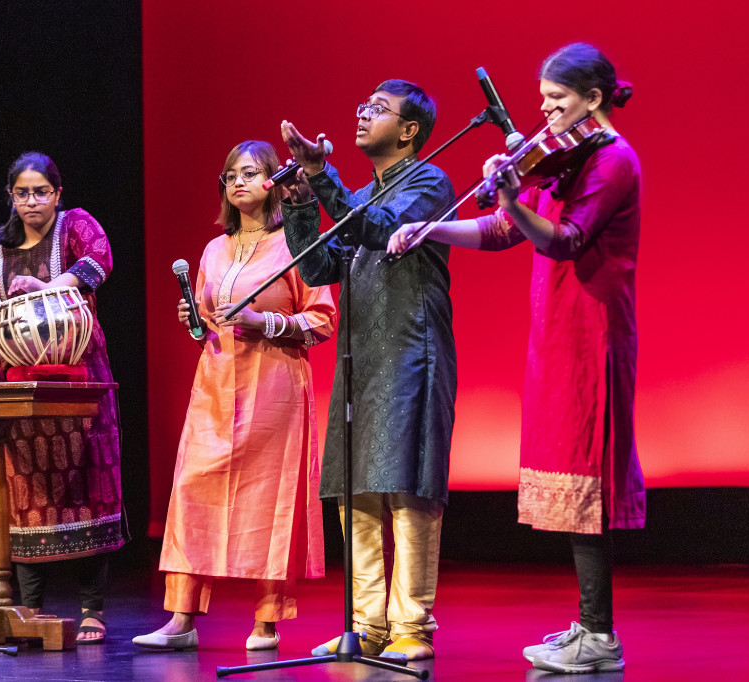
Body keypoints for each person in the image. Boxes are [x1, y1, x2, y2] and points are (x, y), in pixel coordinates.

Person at [389, 43, 644, 674]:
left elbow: (564, 240)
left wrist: (511, 200)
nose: (547, 113)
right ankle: (588, 623)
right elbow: (506, 232)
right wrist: (431, 229)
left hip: (593, 329)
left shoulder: (613, 161)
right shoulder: (565, 160)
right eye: (543, 101)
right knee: (568, 466)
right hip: (556, 327)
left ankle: (600, 635)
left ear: (593, 99)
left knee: (589, 475)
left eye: (559, 101)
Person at [277, 79, 457, 661]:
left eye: (377, 110)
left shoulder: (429, 183)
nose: (361, 115)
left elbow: (379, 231)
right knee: (356, 489)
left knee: (405, 484)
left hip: (411, 352)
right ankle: (368, 626)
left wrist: (323, 177)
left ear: (409, 131)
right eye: (360, 106)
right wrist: (303, 200)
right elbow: (323, 262)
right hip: (363, 358)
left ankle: (413, 627)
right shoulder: (361, 195)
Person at [133, 140, 336, 652]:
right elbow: (209, 321)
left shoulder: (297, 241)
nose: (238, 182)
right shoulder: (213, 249)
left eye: (250, 173)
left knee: (269, 501)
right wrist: (194, 324)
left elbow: (321, 321)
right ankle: (181, 618)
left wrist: (261, 321)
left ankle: (267, 621)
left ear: (273, 181)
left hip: (275, 388)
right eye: (229, 176)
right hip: (216, 387)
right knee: (192, 495)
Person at [0, 151, 123, 644]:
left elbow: (97, 264)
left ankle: (92, 608)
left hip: (78, 374)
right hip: (16, 379)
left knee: (87, 485)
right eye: (22, 193)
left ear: (57, 193)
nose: (32, 201)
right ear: (11, 197)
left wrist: (47, 286)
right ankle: (31, 610)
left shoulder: (75, 226)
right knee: (26, 489)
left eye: (41, 191)